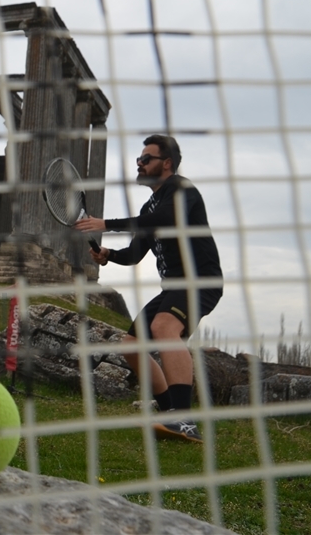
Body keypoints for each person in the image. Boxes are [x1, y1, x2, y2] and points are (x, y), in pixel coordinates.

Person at [75, 135, 222, 443]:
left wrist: (107, 223)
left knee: (163, 327)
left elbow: (165, 219)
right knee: (131, 344)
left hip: (200, 280)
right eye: (138, 159)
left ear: (166, 164)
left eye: (146, 159)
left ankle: (184, 419)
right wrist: (109, 255)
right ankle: (170, 415)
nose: (139, 164)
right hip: (173, 287)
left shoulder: (182, 190)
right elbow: (134, 254)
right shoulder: (149, 205)